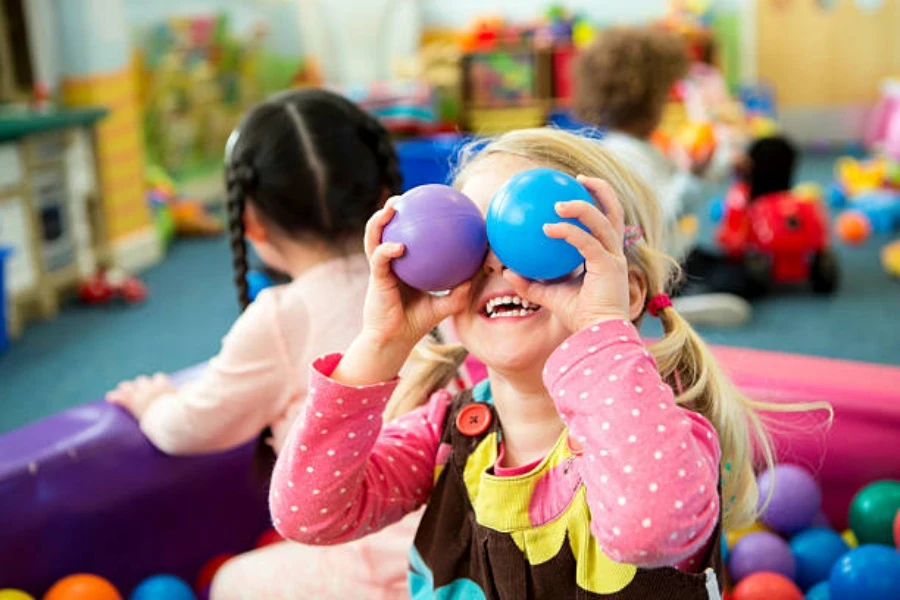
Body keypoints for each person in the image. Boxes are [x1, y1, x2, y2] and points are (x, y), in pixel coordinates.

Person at [269, 128, 828, 598]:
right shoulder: (445, 432)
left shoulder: (663, 432)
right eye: (469, 241)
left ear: (627, 293)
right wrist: (378, 347)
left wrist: (598, 331)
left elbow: (650, 529)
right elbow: (309, 513)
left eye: (532, 236)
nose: (497, 264)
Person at [107, 88, 453, 599]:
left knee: (231, 581)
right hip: (458, 544)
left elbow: (189, 428)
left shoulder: (281, 315)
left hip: (387, 566)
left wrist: (155, 403)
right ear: (385, 196)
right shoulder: (431, 285)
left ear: (250, 223)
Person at [573, 26, 751, 327]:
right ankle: (668, 303)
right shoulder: (625, 157)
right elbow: (662, 211)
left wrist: (713, 165)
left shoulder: (645, 145)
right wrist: (694, 176)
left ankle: (671, 297)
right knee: (739, 280)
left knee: (738, 268)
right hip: (663, 264)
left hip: (679, 250)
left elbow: (680, 177)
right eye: (661, 97)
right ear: (645, 102)